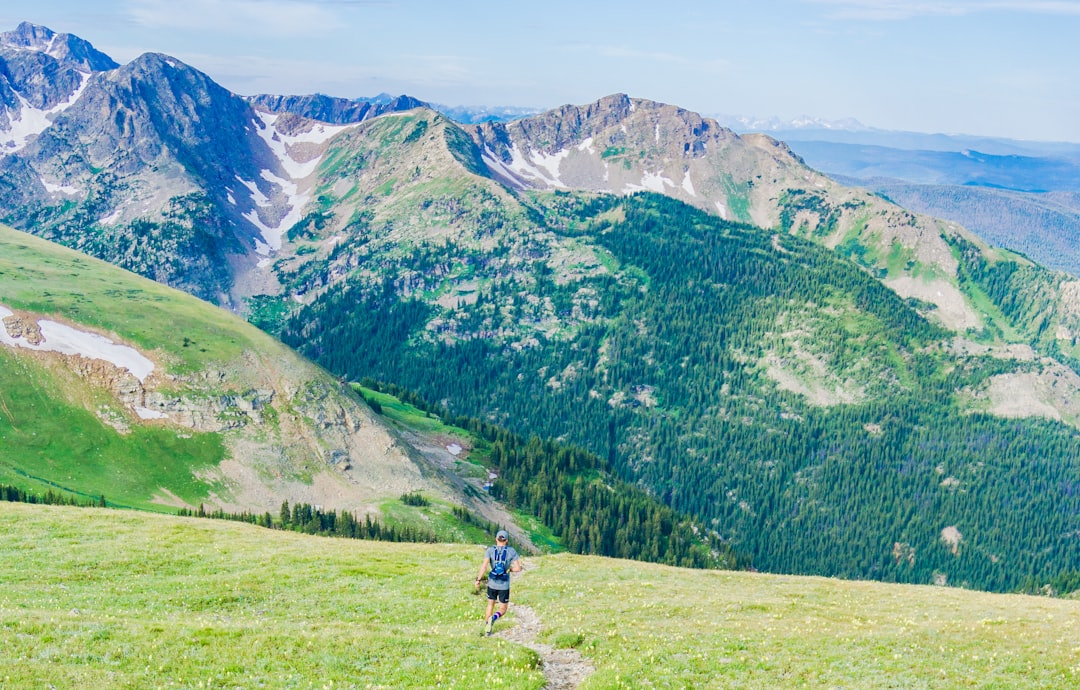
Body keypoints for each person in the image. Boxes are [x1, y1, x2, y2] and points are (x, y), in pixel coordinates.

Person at [474, 529, 522, 636]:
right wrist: (510, 570)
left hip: (492, 583)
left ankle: (487, 629)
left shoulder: (490, 550)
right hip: (504, 585)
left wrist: (478, 580)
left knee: (490, 605)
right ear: (506, 540)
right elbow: (518, 568)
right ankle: (494, 618)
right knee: (503, 609)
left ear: (496, 539)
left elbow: (484, 566)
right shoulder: (511, 551)